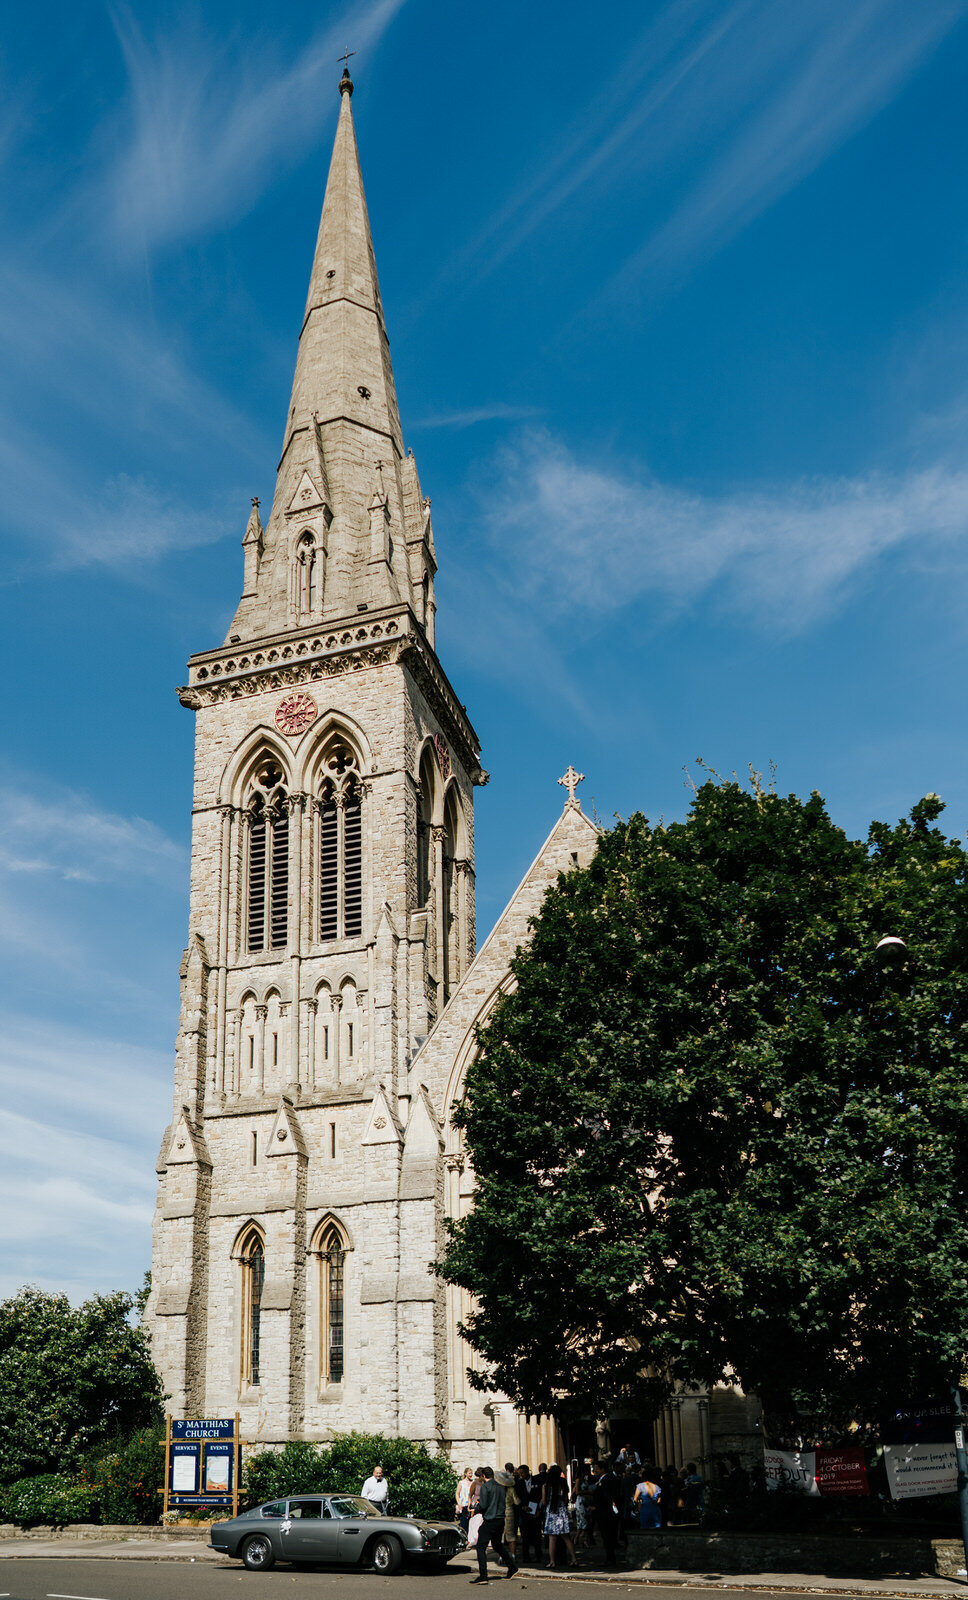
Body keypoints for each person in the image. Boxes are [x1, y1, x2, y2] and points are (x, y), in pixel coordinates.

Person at [472, 1466, 518, 1584]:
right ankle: (512, 1567)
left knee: (481, 1547)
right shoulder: (501, 1487)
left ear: (483, 1476)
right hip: (500, 1519)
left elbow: (483, 1505)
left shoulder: (485, 1487)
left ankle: (483, 1576)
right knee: (497, 1545)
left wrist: (475, 1510)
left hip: (490, 1520)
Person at [542, 1463, 577, 1570]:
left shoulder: (546, 1485)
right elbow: (566, 1500)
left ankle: (552, 1561)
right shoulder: (563, 1484)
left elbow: (544, 1501)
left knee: (552, 1539)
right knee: (566, 1537)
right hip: (561, 1511)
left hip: (552, 1511)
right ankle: (574, 1559)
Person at [592, 1460, 622, 1567]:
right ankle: (610, 1558)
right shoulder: (605, 1479)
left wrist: (597, 1506)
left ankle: (610, 1559)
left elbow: (606, 1496)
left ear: (602, 1469)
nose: (595, 1471)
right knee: (607, 1537)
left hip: (606, 1513)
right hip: (606, 1512)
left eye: (597, 1469)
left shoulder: (607, 1479)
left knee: (608, 1536)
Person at [515, 1464, 542, 1565]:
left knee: (537, 1536)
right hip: (525, 1513)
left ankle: (538, 1556)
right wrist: (522, 1506)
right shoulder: (519, 1483)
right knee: (525, 1536)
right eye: (520, 1473)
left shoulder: (536, 1481)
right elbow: (517, 1498)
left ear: (527, 1471)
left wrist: (539, 1510)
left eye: (522, 1473)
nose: (521, 1475)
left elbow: (540, 1496)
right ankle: (526, 1557)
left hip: (536, 1512)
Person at [499, 1464, 517, 1561]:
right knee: (510, 1534)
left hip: (500, 1511)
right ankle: (513, 1555)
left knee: (500, 1534)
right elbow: (517, 1501)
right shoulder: (511, 1489)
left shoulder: (498, 1489)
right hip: (509, 1511)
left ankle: (501, 1556)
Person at [456, 1467, 474, 1533]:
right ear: (465, 1474)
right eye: (469, 1473)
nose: (471, 1475)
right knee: (463, 1522)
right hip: (463, 1504)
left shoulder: (472, 1482)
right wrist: (459, 1503)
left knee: (470, 1522)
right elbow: (457, 1493)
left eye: (471, 1473)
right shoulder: (461, 1483)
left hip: (470, 1504)